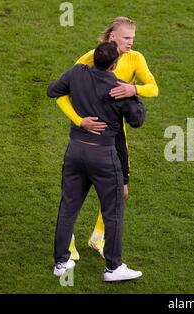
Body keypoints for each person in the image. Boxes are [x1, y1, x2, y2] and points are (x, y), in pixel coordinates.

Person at [56, 16, 159, 260]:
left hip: (116, 138)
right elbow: (62, 91)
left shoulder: (136, 59)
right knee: (74, 195)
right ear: (112, 37)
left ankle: (98, 237)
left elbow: (153, 87)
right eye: (126, 38)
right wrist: (79, 120)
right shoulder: (92, 58)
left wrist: (134, 89)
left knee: (120, 191)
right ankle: (67, 242)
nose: (131, 42)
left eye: (133, 38)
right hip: (89, 138)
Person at [48, 42, 146, 281]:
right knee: (112, 211)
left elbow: (53, 91)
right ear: (114, 64)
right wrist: (134, 92)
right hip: (103, 156)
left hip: (75, 152)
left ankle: (61, 262)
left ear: (93, 59)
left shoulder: (76, 73)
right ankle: (113, 268)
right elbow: (136, 120)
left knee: (68, 206)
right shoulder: (119, 88)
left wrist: (80, 119)